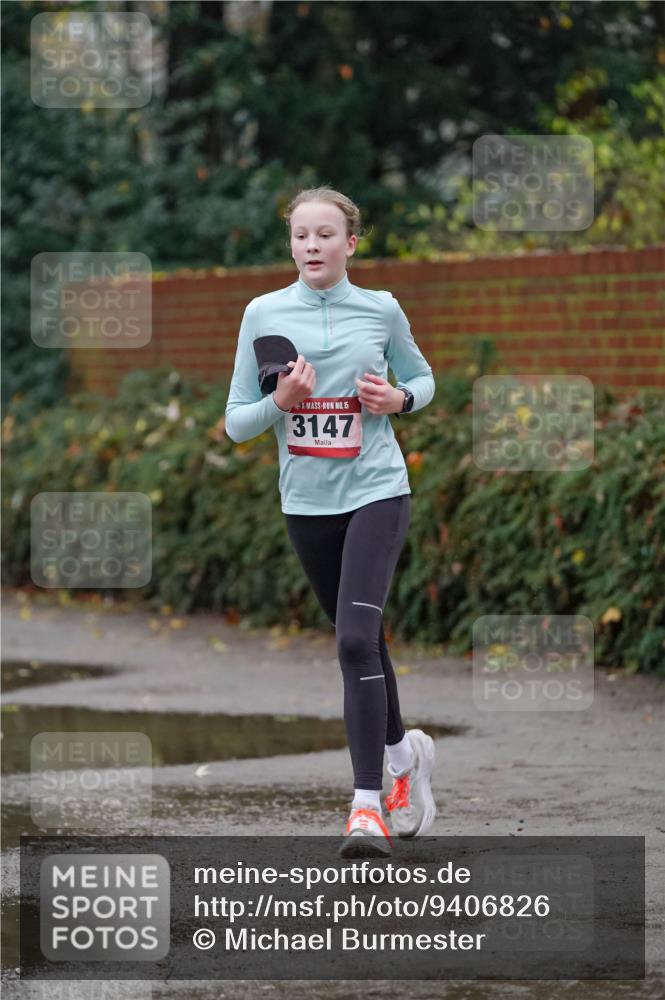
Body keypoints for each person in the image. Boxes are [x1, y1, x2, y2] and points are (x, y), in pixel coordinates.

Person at [225, 186, 437, 858]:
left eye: (324, 234)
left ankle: (366, 806)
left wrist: (398, 398)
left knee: (352, 640)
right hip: (307, 504)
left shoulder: (379, 309)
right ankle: (403, 754)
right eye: (299, 235)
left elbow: (424, 379)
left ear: (351, 242)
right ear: (290, 243)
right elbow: (236, 423)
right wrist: (281, 402)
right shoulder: (263, 312)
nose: (311, 246)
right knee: (361, 640)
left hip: (376, 491)